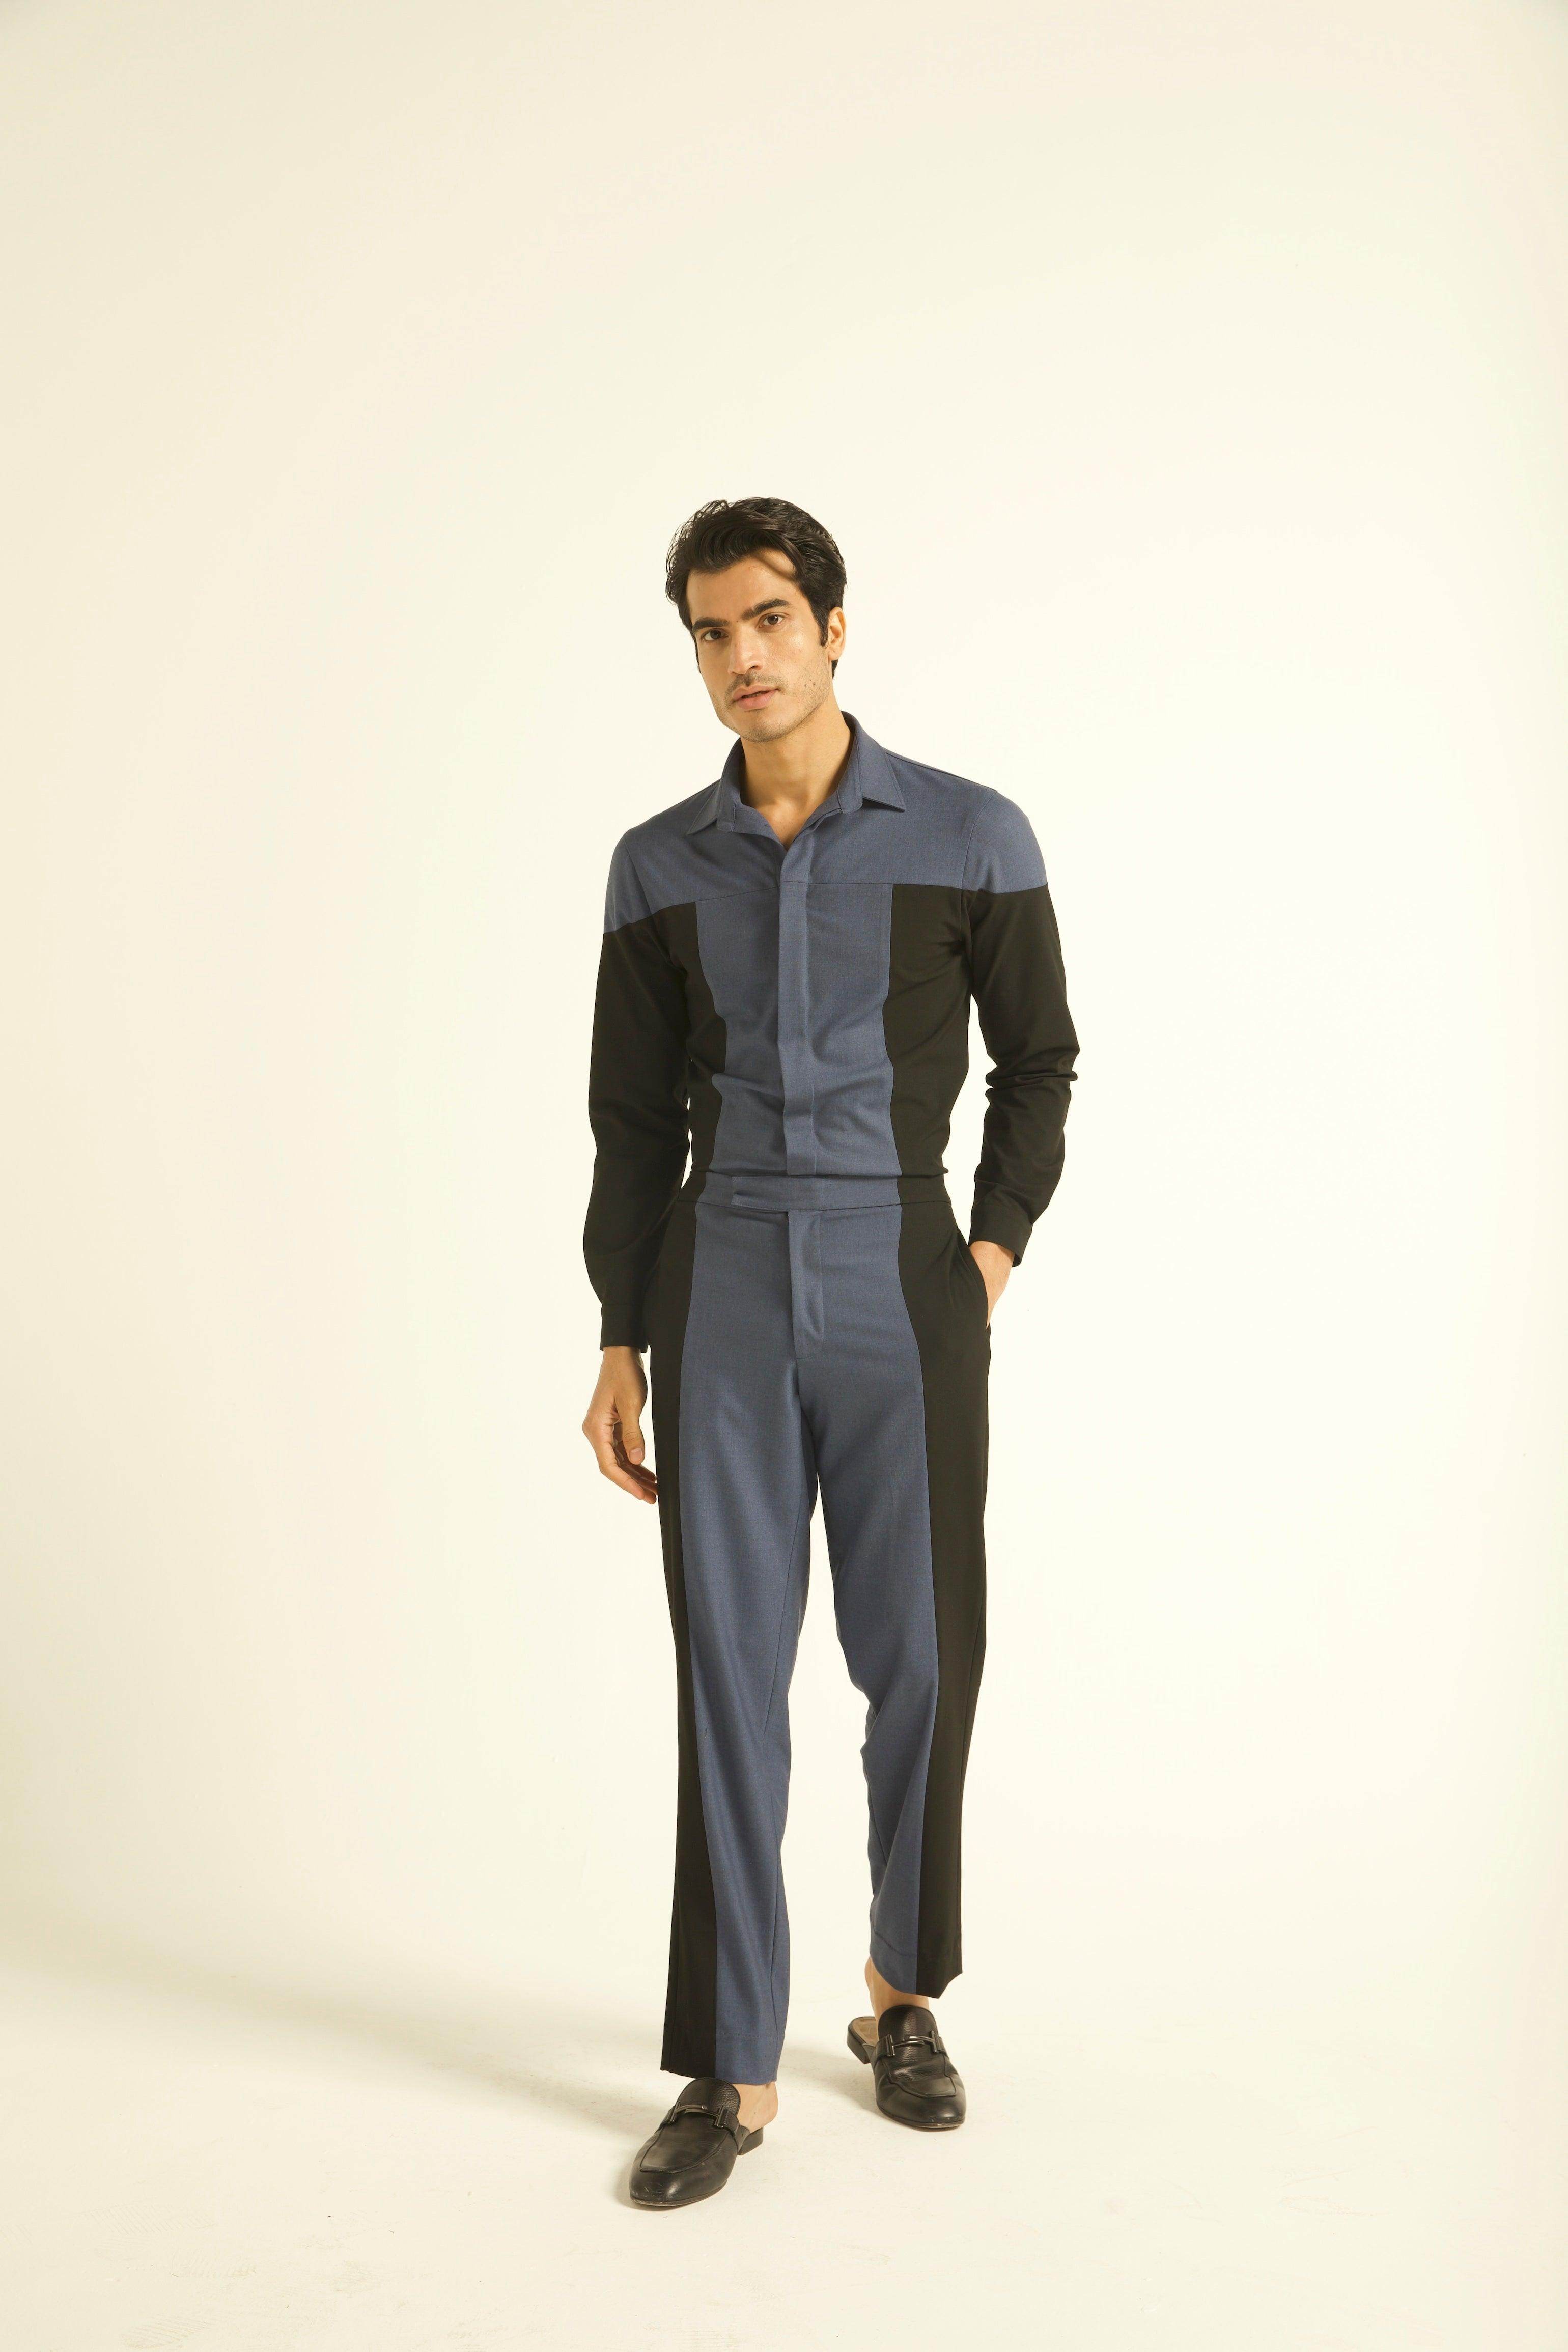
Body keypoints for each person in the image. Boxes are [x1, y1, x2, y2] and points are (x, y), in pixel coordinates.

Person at [580, 495, 1078, 2209]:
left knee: (922, 1654)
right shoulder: (659, 864)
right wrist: (619, 1331)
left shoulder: (972, 833)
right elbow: (631, 1120)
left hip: (901, 1276)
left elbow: (1041, 1060)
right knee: (727, 1669)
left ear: (834, 627)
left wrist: (985, 1254)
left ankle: (899, 1991)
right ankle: (730, 2065)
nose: (744, 656)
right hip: (717, 1285)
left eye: (771, 619)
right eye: (713, 632)